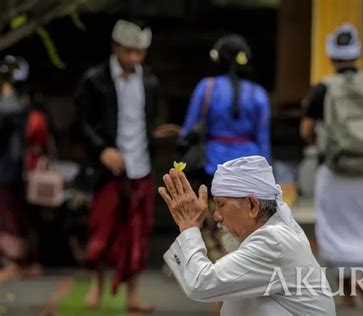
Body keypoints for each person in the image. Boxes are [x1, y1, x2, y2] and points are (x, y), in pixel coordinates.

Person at [300, 23, 363, 306]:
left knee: (334, 224)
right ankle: (361, 279)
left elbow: (306, 129)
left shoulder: (323, 88)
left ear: (332, 56)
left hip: (333, 169)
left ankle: (347, 284)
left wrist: (318, 143)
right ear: (357, 54)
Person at [159, 156, 336, 315]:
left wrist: (189, 227)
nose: (216, 216)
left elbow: (202, 283)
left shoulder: (274, 241)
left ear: (252, 205)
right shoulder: (274, 233)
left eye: (221, 205)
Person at [75, 19, 169, 313]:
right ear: (116, 48)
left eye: (139, 53)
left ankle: (133, 294)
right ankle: (95, 287)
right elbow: (81, 123)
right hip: (108, 169)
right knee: (102, 230)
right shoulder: (95, 80)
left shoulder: (149, 81)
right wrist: (102, 150)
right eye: (129, 51)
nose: (134, 58)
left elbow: (147, 120)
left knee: (138, 233)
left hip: (140, 165)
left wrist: (155, 135)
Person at [179, 34, 271, 188]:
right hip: (249, 168)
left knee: (215, 211)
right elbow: (263, 140)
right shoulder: (258, 94)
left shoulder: (206, 87)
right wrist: (267, 175)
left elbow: (188, 129)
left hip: (212, 165)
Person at [0, 55, 43, 282]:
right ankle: (25, 262)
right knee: (18, 216)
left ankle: (14, 263)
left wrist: (7, 90)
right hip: (13, 166)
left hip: (11, 167)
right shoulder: (18, 102)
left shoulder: (16, 102)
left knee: (11, 217)